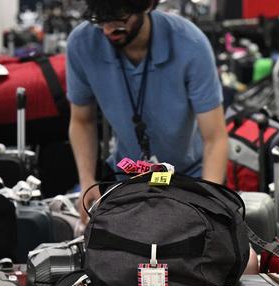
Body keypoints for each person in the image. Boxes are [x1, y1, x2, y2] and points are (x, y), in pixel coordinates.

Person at [66, 0, 230, 219]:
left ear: (146, 6)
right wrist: (88, 181)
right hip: (127, 179)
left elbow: (215, 137)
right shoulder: (82, 43)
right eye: (101, 21)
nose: (108, 31)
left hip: (191, 178)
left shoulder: (190, 43)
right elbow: (81, 121)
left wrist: (208, 201)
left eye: (120, 21)